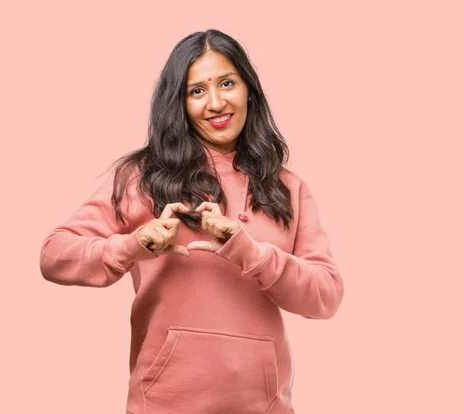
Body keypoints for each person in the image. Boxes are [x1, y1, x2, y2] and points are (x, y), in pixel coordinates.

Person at [39, 28, 344, 414]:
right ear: (179, 104)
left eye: (227, 83)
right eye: (196, 91)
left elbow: (326, 296)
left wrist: (250, 253)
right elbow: (54, 254)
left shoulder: (288, 188)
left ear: (249, 89)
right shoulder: (143, 176)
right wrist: (135, 244)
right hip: (163, 404)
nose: (215, 103)